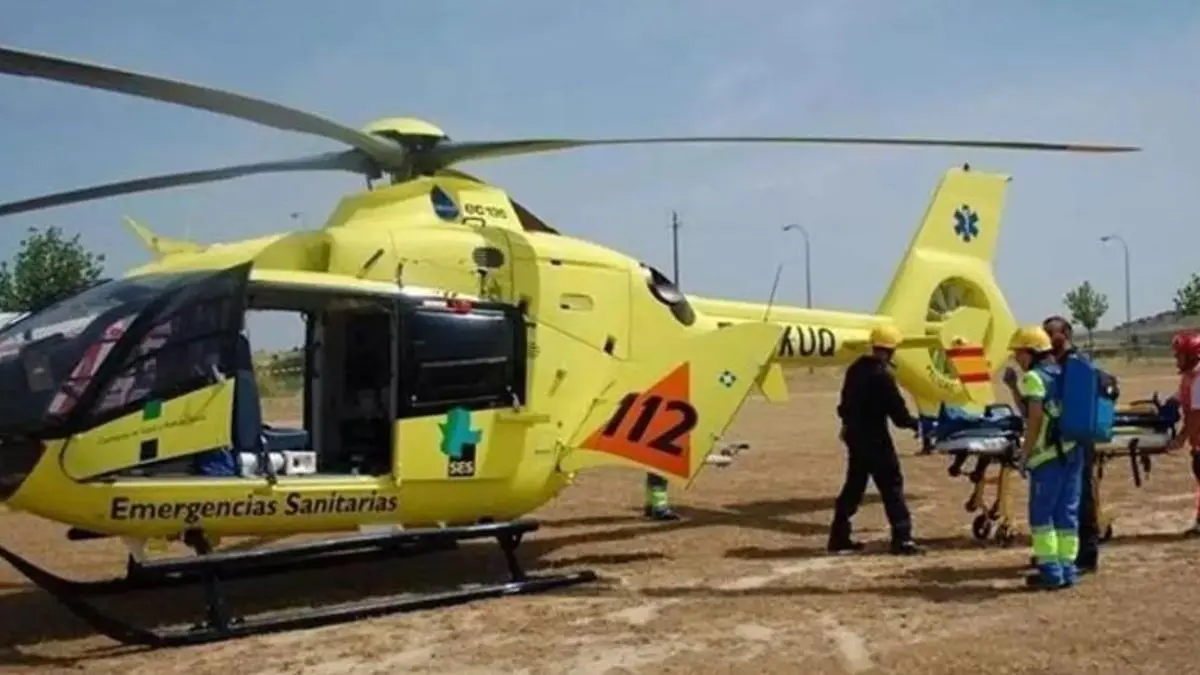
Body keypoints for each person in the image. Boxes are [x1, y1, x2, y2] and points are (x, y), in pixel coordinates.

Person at [827, 324, 923, 555]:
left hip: (854, 436)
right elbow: (899, 416)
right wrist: (917, 424)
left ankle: (838, 537)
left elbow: (844, 406)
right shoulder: (883, 376)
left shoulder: (855, 369)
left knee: (853, 487)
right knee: (892, 486)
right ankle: (902, 539)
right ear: (892, 350)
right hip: (875, 439)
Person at [1009, 325, 1085, 590]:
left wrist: (1025, 454)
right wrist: (1013, 388)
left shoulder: (1033, 378)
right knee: (1067, 514)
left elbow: (1034, 418)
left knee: (1042, 516)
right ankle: (1068, 569)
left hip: (1048, 458)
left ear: (1030, 353)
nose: (1017, 359)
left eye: (1018, 353)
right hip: (1073, 452)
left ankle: (1051, 572)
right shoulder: (1060, 372)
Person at [1165, 329, 1200, 536]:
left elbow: (1197, 415)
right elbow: (1181, 396)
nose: (1177, 359)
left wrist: (1180, 438)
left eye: (1180, 355)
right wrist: (1170, 402)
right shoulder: (1190, 376)